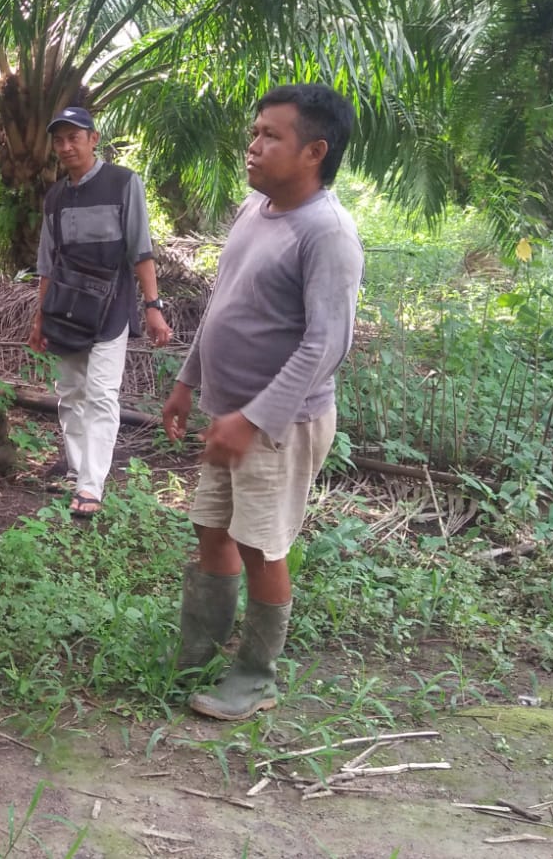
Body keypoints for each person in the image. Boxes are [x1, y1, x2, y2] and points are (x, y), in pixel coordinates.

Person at [161, 83, 362, 721]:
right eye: (255, 132)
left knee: (260, 546)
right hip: (232, 415)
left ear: (314, 151)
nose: (253, 146)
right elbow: (225, 303)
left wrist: (253, 419)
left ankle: (255, 676)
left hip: (281, 423)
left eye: (271, 135)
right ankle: (198, 652)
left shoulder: (326, 232)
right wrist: (188, 381)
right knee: (211, 529)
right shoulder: (256, 209)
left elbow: (325, 344)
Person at [28, 106, 171, 517]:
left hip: (111, 308)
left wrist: (153, 307)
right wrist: (40, 317)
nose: (66, 146)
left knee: (102, 395)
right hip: (65, 308)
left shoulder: (123, 183)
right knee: (70, 393)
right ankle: (77, 469)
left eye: (75, 137)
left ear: (94, 139)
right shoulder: (55, 196)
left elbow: (141, 249)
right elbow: (47, 262)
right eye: (59, 140)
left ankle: (92, 487)